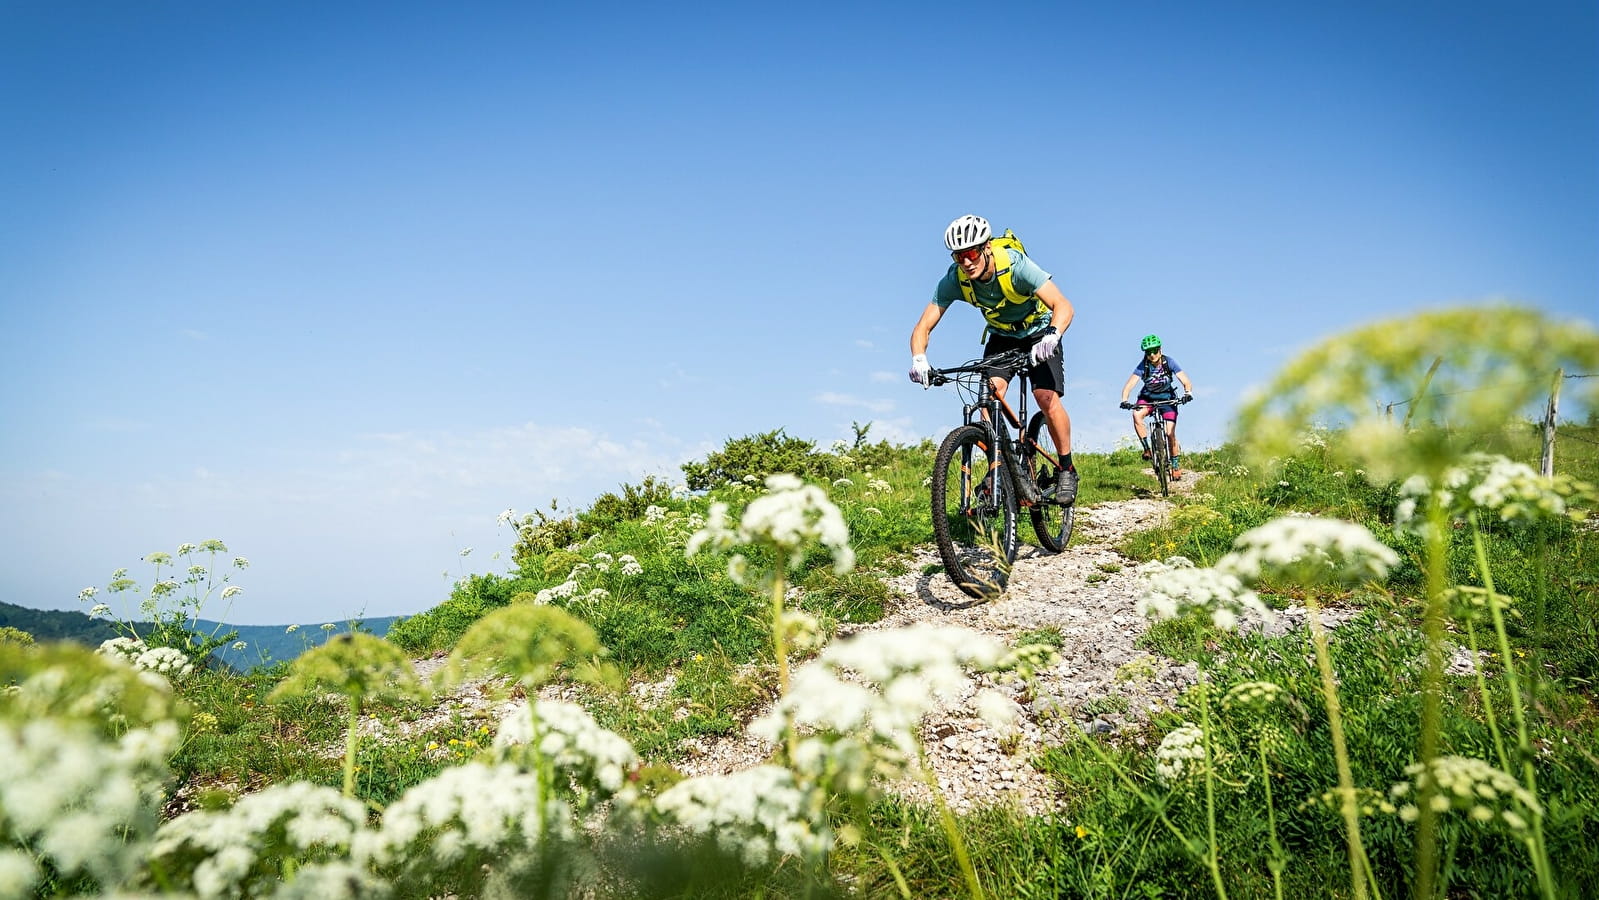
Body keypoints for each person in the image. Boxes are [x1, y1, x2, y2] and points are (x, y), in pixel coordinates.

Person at [908, 214, 1078, 504]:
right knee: (988, 400)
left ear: (986, 247)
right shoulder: (956, 279)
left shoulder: (1016, 266)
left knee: (1045, 396)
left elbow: (1063, 305)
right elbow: (923, 326)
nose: (966, 262)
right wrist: (919, 358)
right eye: (959, 256)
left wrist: (1053, 334)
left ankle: (1066, 469)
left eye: (971, 253)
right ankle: (999, 467)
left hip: (1040, 332)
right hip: (1002, 336)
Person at [1118, 334, 1194, 479]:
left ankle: (1175, 465)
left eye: (1154, 350)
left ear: (1160, 349)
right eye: (1148, 352)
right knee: (1136, 415)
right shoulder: (1143, 366)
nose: (1152, 355)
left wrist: (1187, 393)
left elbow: (1185, 380)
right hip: (1147, 398)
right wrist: (1124, 399)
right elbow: (1129, 385)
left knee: (1169, 433)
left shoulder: (1169, 362)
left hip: (1168, 399)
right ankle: (1147, 449)